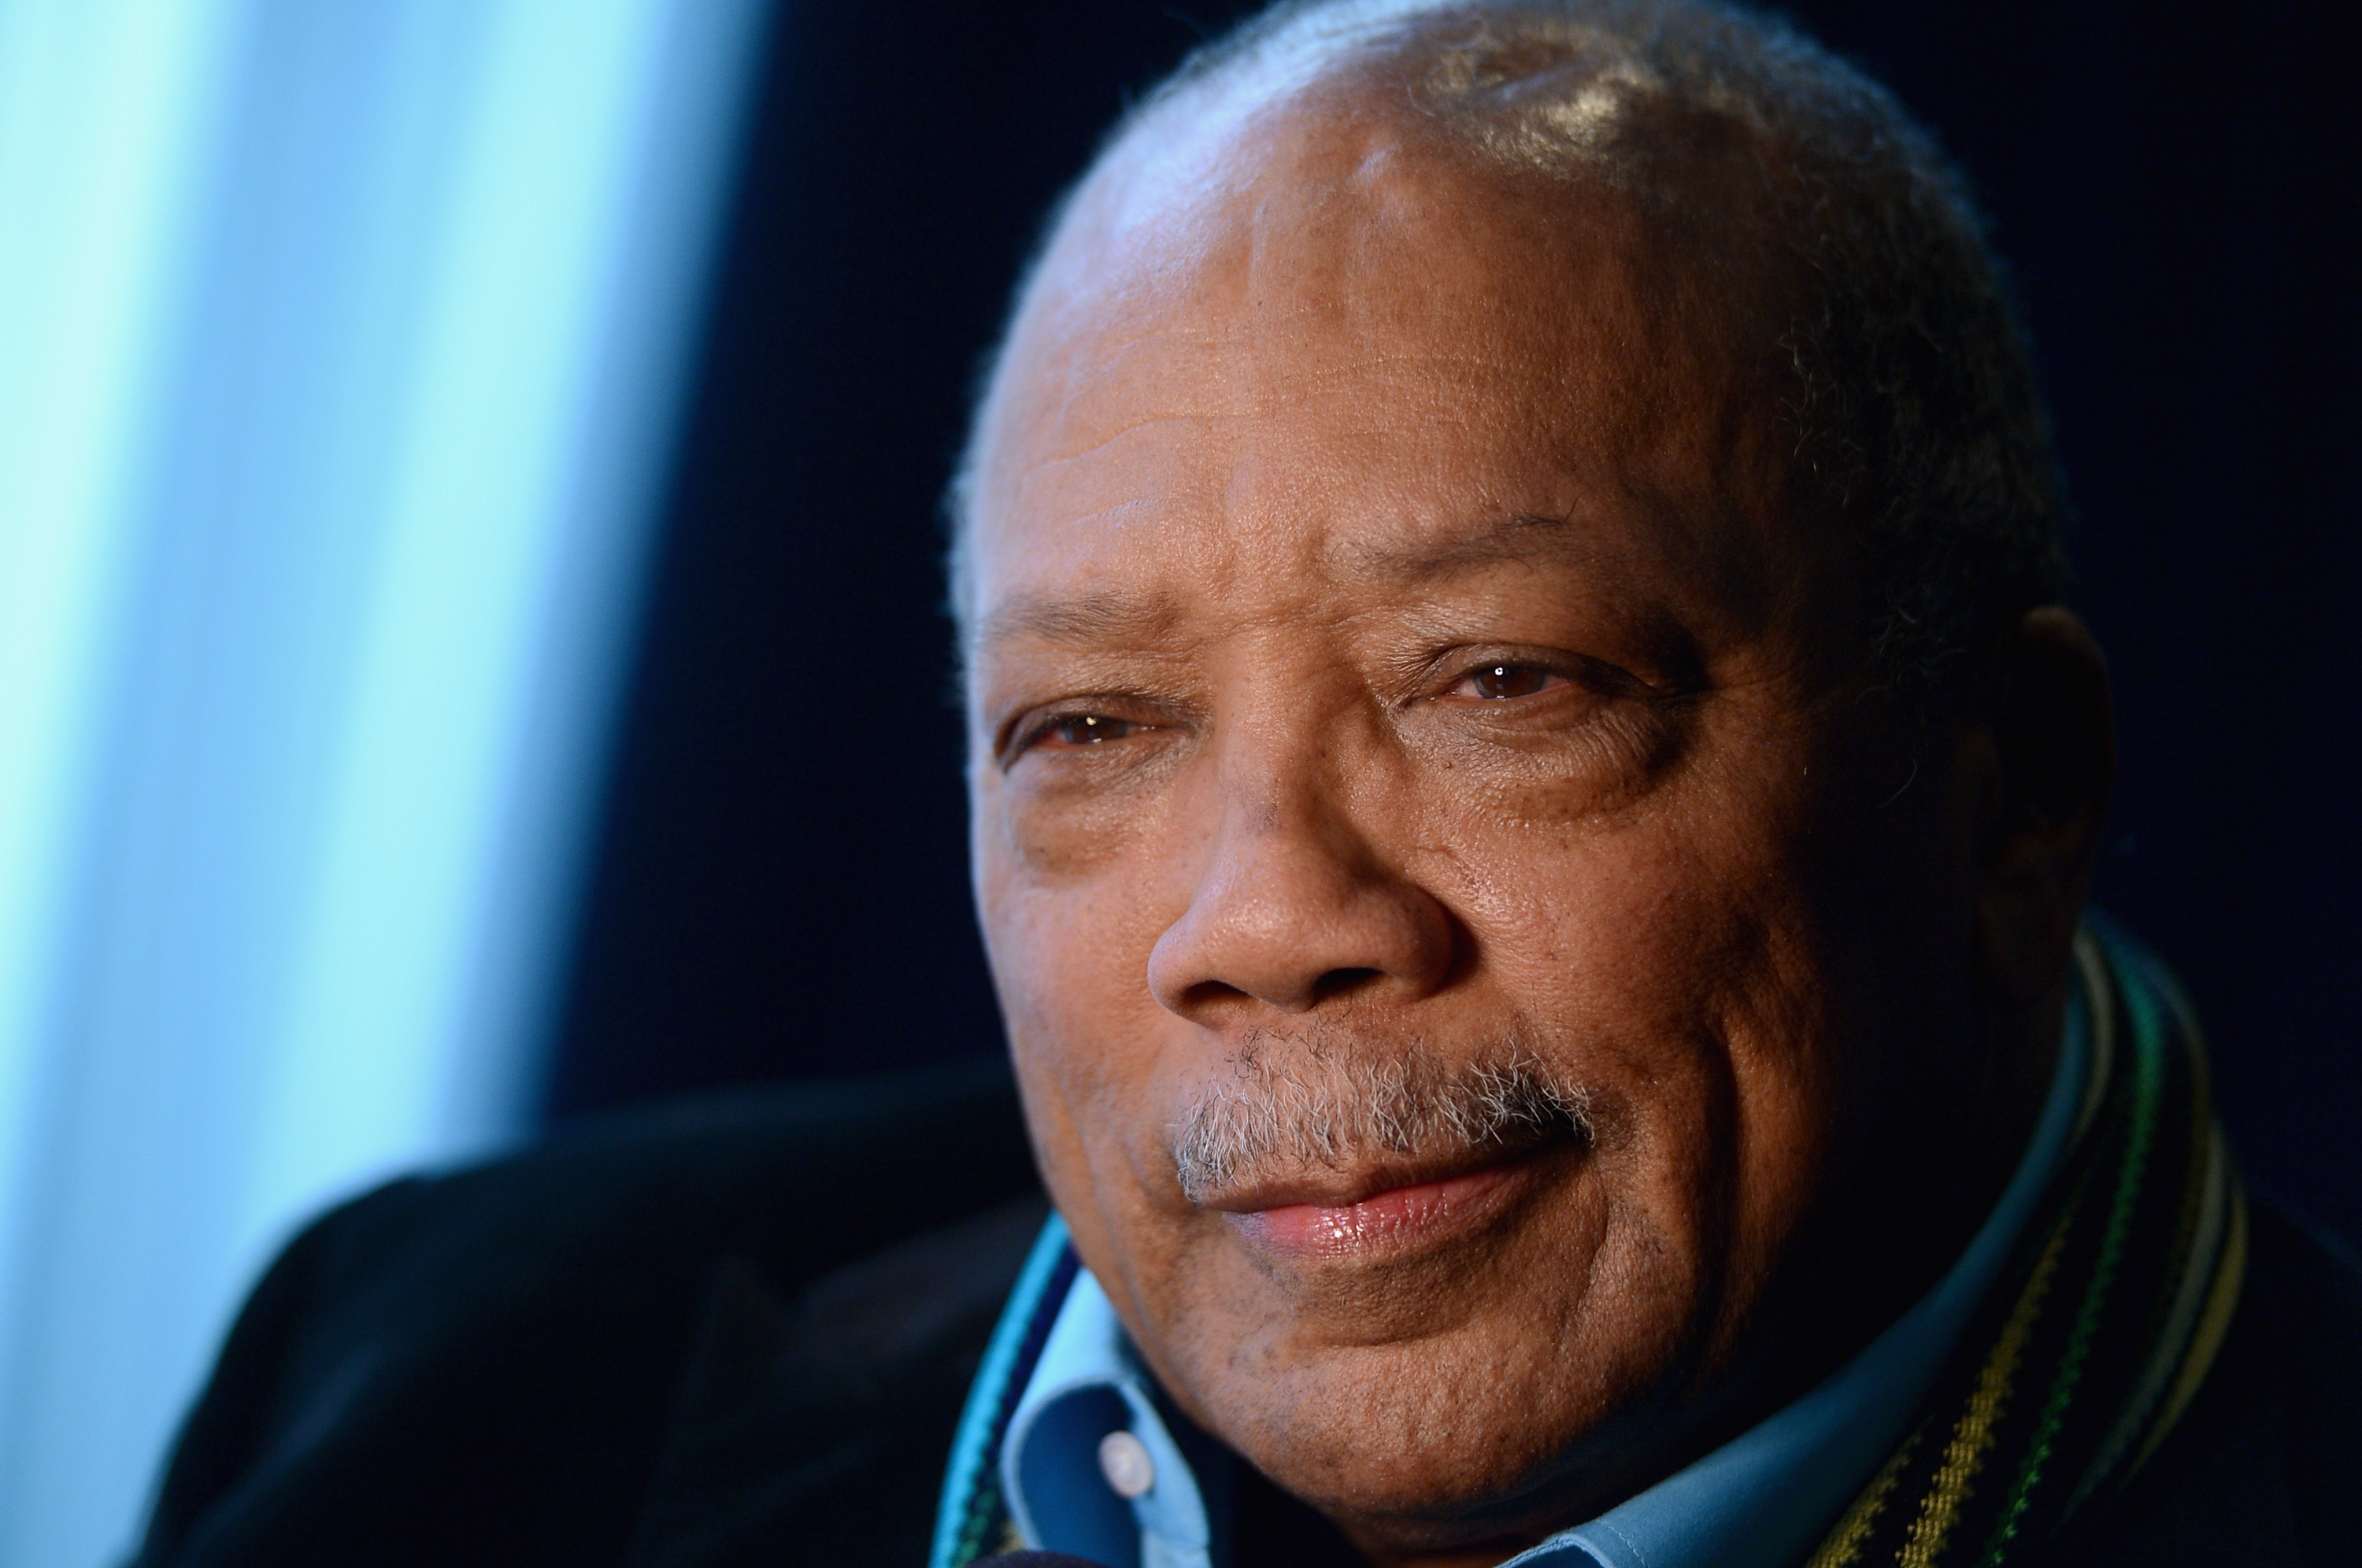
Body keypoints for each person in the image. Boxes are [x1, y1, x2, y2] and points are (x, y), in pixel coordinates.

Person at [133, 2, 2362, 1566]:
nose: (1272, 918)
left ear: (2013, 799)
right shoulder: (430, 1373)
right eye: (1092, 728)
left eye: (1503, 680)